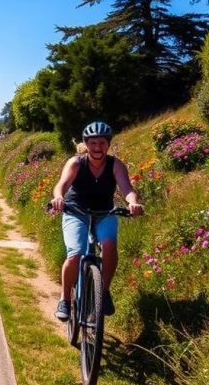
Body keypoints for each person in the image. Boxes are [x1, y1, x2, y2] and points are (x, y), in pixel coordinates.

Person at [49, 121, 144, 321]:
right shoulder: (76, 163)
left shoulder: (115, 165)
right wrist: (58, 198)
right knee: (75, 254)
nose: (97, 148)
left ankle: (104, 292)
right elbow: (61, 186)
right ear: (86, 144)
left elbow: (127, 189)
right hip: (75, 211)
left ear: (108, 144)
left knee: (109, 246)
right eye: (92, 143)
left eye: (102, 143)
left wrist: (133, 203)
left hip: (104, 212)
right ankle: (65, 299)